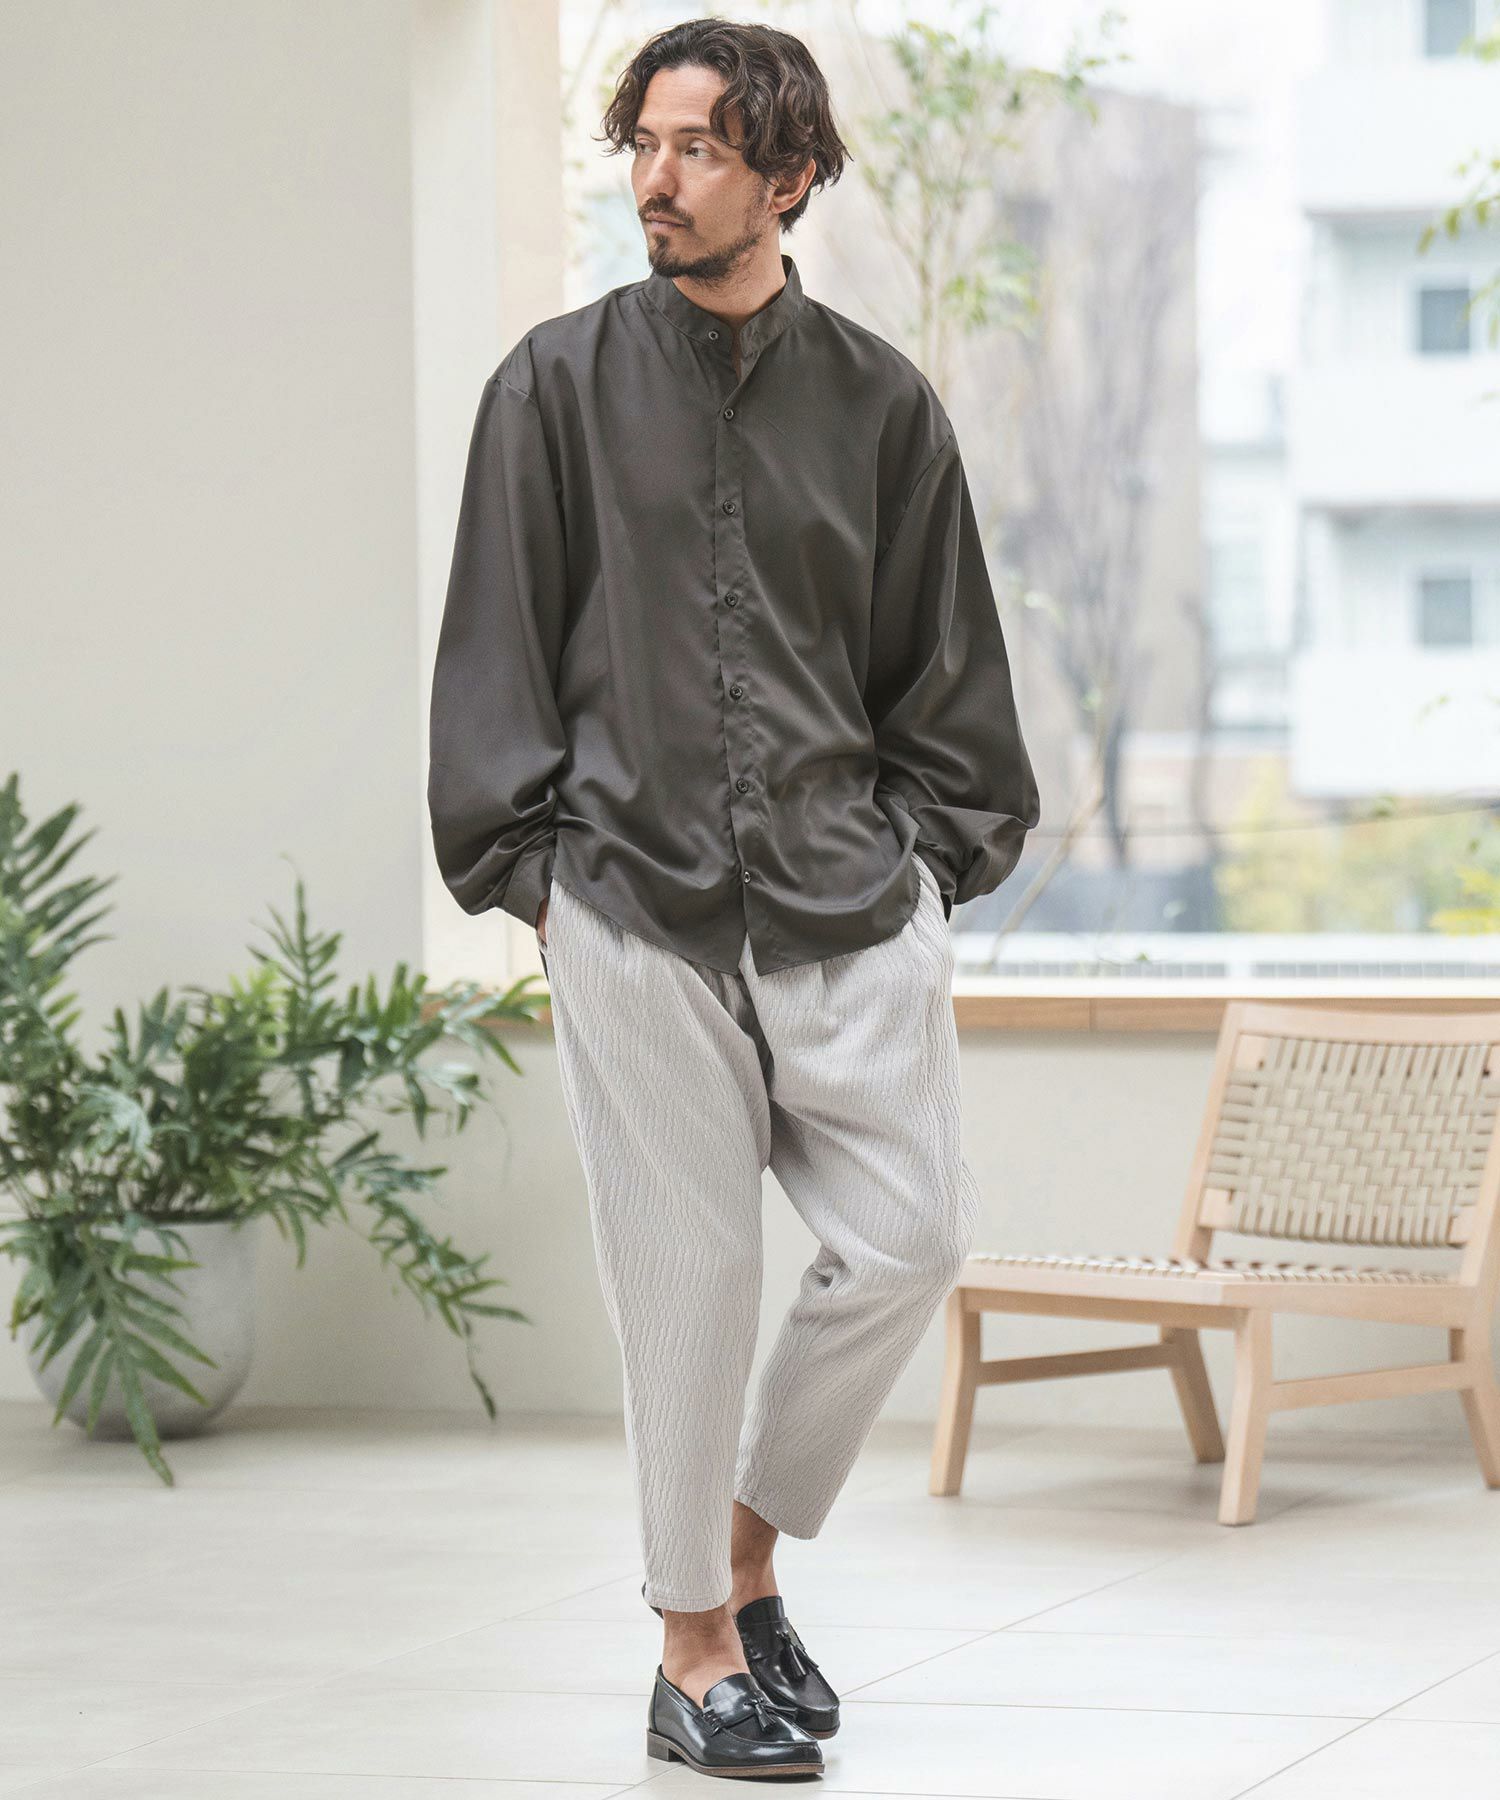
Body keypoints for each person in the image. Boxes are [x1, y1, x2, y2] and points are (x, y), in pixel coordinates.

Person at [428, 16, 1039, 1780]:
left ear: (789, 175)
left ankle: (747, 1553)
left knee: (912, 1237)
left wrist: (925, 868)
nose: (657, 178)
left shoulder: (883, 406)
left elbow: (941, 670)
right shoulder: (550, 389)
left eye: (698, 148)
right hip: (630, 903)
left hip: (847, 903)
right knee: (686, 1289)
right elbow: (494, 649)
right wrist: (539, 880)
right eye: (643, 143)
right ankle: (692, 1651)